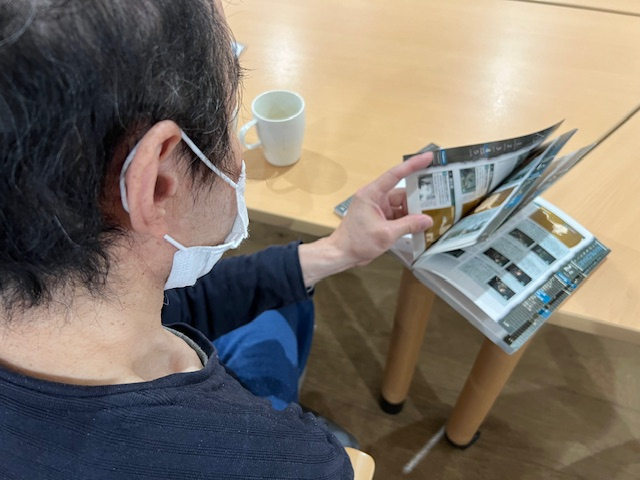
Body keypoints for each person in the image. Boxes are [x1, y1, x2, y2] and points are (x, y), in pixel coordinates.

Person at [0, 1, 433, 478]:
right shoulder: (287, 462)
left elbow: (174, 308)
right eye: (231, 115)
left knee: (285, 302)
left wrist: (336, 251)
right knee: (281, 319)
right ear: (157, 182)